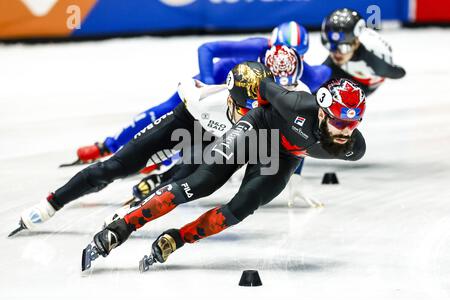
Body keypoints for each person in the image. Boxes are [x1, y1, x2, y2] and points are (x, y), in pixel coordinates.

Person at [80, 62, 367, 271]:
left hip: (284, 157)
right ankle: (123, 226)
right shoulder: (294, 105)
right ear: (321, 110)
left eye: (353, 124)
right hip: (257, 129)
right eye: (340, 122)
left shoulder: (354, 147)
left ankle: (177, 239)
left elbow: (343, 139)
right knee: (200, 183)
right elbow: (262, 84)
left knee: (240, 208)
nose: (345, 131)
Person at [9, 57, 303, 236]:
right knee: (113, 168)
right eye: (242, 108)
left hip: (214, 142)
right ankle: (51, 203)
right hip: (190, 121)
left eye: (258, 107)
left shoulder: (271, 111)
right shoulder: (205, 102)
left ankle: (133, 212)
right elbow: (185, 88)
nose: (249, 115)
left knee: (182, 182)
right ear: (229, 99)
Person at [74, 21, 329, 165]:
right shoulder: (256, 46)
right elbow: (207, 48)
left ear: (303, 56)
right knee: (162, 112)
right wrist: (208, 85)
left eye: (295, 55)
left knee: (207, 133)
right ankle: (108, 145)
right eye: (278, 49)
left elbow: (304, 120)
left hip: (241, 102)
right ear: (271, 44)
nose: (282, 59)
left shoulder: (308, 73)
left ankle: (168, 158)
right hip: (214, 85)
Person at [321, 8, 406, 96]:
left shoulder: (377, 63)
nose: (337, 54)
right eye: (331, 46)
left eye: (344, 47)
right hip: (349, 70)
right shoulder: (341, 53)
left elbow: (400, 73)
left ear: (356, 43)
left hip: (364, 83)